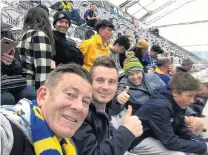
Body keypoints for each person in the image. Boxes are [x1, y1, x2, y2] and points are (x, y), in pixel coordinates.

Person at [0, 63, 93, 155]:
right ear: (43, 96)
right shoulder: (8, 132)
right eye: (70, 94)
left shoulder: (68, 145)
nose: (79, 107)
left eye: (85, 101)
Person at [72, 56, 143, 155]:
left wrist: (118, 101)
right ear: (89, 82)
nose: (106, 87)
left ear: (117, 85)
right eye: (100, 80)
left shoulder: (104, 104)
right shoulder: (78, 112)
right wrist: (126, 132)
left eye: (111, 82)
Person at [130, 72, 208, 155]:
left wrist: (201, 142)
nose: (192, 101)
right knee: (179, 154)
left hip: (157, 135)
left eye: (194, 96)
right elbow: (170, 142)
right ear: (174, 92)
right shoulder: (160, 106)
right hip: (139, 140)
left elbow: (181, 128)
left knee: (194, 148)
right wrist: (203, 147)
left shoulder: (175, 101)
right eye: (189, 95)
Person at [15, 7, 54, 89]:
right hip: (32, 85)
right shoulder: (39, 35)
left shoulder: (22, 35)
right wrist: (42, 94)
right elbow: (42, 70)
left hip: (21, 83)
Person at [1, 22, 36, 105]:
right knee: (6, 98)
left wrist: (11, 63)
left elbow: (19, 67)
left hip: (6, 82)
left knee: (29, 92)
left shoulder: (5, 32)